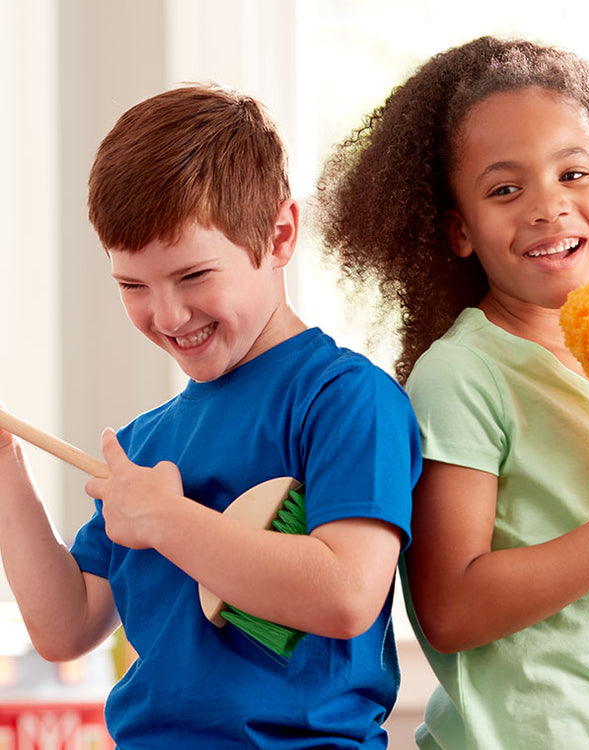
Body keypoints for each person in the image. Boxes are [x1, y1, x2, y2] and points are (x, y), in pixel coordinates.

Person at [317, 37, 589, 749]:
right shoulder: (463, 373)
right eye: (505, 189)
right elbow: (450, 607)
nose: (549, 207)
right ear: (459, 231)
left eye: (572, 174)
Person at [0, 84, 422, 748]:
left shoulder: (346, 400)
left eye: (193, 275)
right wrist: (4, 469)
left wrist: (167, 521)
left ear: (280, 234)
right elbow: (65, 627)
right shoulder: (144, 445)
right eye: (133, 286)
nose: (167, 316)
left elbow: (345, 595)